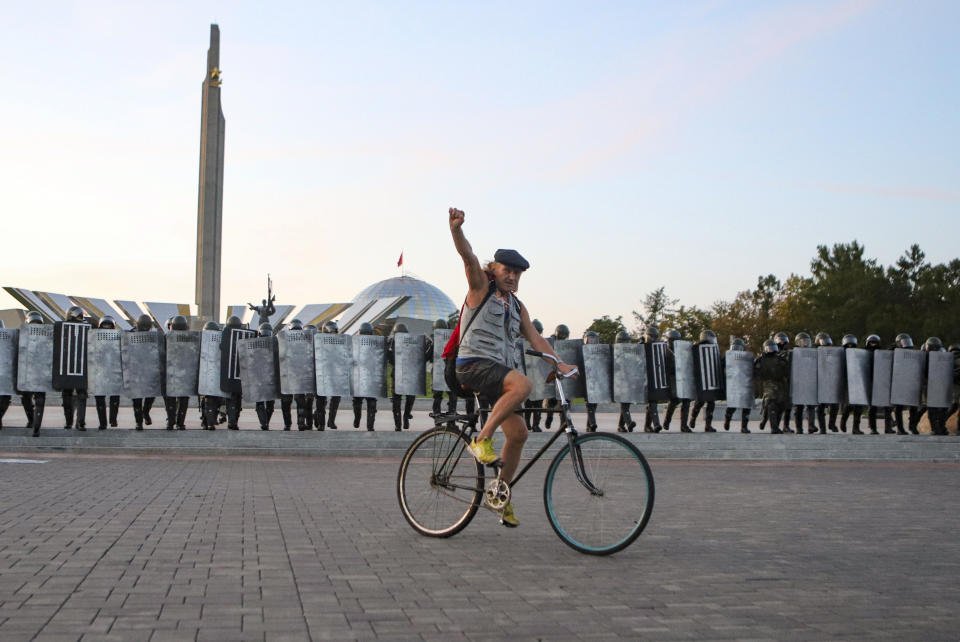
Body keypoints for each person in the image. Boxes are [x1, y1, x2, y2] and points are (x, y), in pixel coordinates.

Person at [449, 207, 576, 528]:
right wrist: (456, 230)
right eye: (508, 270)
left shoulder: (517, 306)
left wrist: (558, 362)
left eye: (518, 273)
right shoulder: (482, 287)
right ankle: (482, 439)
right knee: (522, 386)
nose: (513, 277)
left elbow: (535, 338)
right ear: (495, 268)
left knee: (519, 433)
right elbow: (467, 258)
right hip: (472, 363)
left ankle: (498, 495)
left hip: (496, 375)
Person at [57, 306, 89, 431]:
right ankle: (69, 421)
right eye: (79, 317)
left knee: (82, 394)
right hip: (66, 366)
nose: (81, 319)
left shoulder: (87, 329)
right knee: (66, 395)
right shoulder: (63, 328)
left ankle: (80, 421)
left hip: (82, 366)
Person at [19, 311, 47, 436]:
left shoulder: (47, 336)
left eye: (37, 323)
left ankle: (36, 426)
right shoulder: (21, 335)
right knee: (26, 399)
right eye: (33, 323)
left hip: (41, 373)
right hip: (26, 372)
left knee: (40, 400)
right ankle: (31, 420)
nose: (35, 326)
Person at [754, 340, 789, 433]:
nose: (771, 350)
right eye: (768, 348)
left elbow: (787, 371)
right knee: (771, 404)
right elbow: (755, 372)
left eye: (772, 347)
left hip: (780, 384)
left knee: (781, 405)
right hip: (768, 383)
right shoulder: (760, 360)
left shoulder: (781, 359)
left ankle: (772, 424)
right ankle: (774, 427)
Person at [93, 316, 121, 430]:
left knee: (115, 397)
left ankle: (113, 420)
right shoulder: (94, 337)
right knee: (100, 399)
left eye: (109, 325)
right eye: (105, 325)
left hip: (114, 371)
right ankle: (102, 422)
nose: (107, 328)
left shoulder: (118, 338)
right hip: (99, 372)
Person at [164, 315, 191, 430]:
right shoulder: (191, 337)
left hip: (175, 372)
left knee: (175, 399)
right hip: (179, 373)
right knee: (180, 400)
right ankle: (177, 422)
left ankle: (173, 422)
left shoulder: (166, 337)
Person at [130, 314, 157, 430]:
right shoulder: (131, 335)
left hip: (149, 370)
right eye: (144, 326)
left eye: (148, 326)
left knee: (151, 396)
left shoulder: (153, 336)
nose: (146, 329)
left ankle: (145, 412)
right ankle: (138, 422)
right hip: (135, 371)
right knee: (137, 399)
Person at [689, 329, 719, 432]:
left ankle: (708, 425)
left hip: (711, 380)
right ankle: (693, 418)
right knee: (700, 402)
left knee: (711, 403)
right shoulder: (696, 348)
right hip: (701, 380)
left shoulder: (714, 349)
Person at [663, 329, 693, 432]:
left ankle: (683, 425)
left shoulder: (682, 350)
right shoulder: (665, 350)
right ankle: (667, 421)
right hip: (672, 378)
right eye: (672, 340)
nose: (674, 342)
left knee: (686, 400)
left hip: (683, 377)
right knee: (674, 400)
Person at [351, 322, 379, 431]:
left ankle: (358, 419)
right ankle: (369, 425)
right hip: (367, 376)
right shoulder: (376, 343)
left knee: (358, 401)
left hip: (360, 375)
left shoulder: (354, 342)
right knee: (370, 401)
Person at [315, 320, 342, 430]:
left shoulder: (339, 342)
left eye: (335, 332)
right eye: (331, 331)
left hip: (335, 373)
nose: (334, 334)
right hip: (322, 373)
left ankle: (331, 421)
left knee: (336, 398)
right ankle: (320, 421)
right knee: (321, 399)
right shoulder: (318, 342)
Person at [864, 334, 893, 434]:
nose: (873, 344)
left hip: (882, 381)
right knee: (873, 407)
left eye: (875, 343)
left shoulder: (882, 354)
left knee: (887, 406)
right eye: (871, 342)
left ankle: (888, 427)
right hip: (871, 382)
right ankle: (873, 428)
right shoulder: (865, 354)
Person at [542, 324, 570, 430]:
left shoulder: (567, 345)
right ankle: (549, 416)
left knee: (565, 400)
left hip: (563, 375)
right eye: (561, 334)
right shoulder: (549, 343)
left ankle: (563, 424)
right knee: (551, 399)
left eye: (564, 335)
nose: (563, 337)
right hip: (551, 374)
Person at [722, 338, 753, 432]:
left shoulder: (746, 357)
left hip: (744, 382)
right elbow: (721, 367)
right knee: (733, 405)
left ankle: (744, 426)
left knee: (746, 406)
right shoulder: (727, 357)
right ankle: (728, 419)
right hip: (733, 383)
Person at [919, 337, 948, 435]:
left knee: (942, 407)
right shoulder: (924, 356)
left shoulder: (942, 355)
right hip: (929, 384)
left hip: (940, 383)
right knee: (932, 408)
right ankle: (935, 428)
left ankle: (941, 426)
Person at [893, 333, 919, 435]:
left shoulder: (912, 354)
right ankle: (900, 428)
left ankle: (912, 426)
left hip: (909, 382)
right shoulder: (893, 352)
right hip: (897, 382)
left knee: (913, 406)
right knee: (898, 407)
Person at [199, 321, 224, 430]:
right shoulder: (221, 340)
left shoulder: (202, 341)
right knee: (214, 400)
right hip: (215, 376)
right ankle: (209, 421)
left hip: (205, 376)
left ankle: (207, 421)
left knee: (207, 400)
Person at [790, 332, 816, 434]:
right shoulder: (794, 353)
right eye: (803, 341)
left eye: (806, 341)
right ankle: (799, 428)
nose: (805, 343)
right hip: (798, 383)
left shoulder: (813, 353)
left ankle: (811, 426)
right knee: (799, 407)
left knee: (811, 406)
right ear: (798, 342)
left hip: (810, 382)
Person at [814, 332, 840, 434]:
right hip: (819, 384)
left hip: (830, 382)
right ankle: (822, 428)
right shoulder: (814, 354)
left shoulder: (832, 354)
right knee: (820, 408)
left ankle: (832, 424)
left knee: (834, 405)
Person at [839, 334, 864, 434]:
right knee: (849, 405)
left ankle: (856, 427)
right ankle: (843, 421)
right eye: (848, 344)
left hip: (857, 382)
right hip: (846, 382)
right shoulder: (841, 355)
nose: (850, 346)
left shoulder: (858, 354)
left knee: (859, 406)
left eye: (851, 344)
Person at [641, 326, 665, 433]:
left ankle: (648, 425)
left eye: (653, 336)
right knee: (652, 403)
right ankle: (655, 424)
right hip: (644, 379)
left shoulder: (659, 348)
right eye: (650, 336)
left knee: (653, 402)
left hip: (655, 378)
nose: (652, 338)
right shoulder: (640, 347)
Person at [614, 330, 638, 433]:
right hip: (619, 381)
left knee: (626, 404)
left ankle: (621, 426)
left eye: (627, 341)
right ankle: (629, 423)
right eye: (623, 341)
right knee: (624, 403)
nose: (625, 343)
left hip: (628, 380)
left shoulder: (630, 353)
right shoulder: (615, 353)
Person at [254, 322, 276, 430]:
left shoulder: (275, 344)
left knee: (267, 404)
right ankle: (264, 423)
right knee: (263, 403)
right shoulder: (255, 345)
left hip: (268, 377)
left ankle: (265, 422)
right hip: (261, 377)